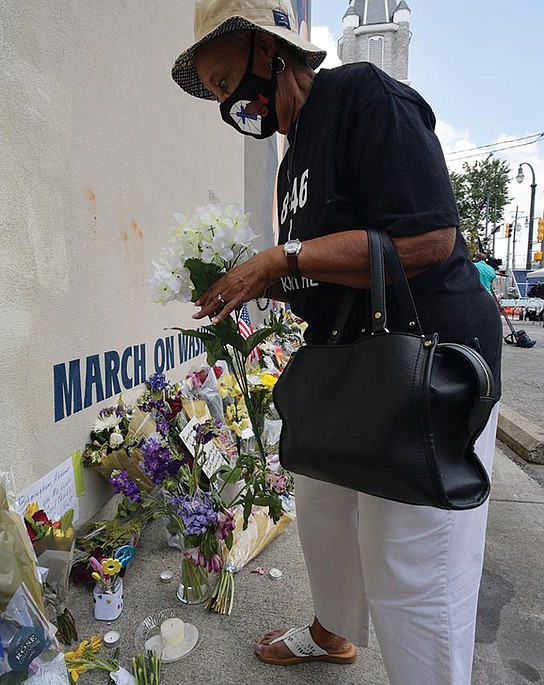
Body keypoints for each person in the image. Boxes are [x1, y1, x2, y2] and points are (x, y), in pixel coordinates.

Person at [170, 2, 502, 684]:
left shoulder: (364, 98)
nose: (231, 102)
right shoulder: (293, 163)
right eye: (218, 94)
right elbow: (320, 274)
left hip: (427, 364)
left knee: (412, 564)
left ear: (271, 51)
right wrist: (247, 285)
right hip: (352, 366)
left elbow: (430, 237)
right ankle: (334, 631)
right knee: (321, 500)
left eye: (230, 78)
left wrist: (281, 260)